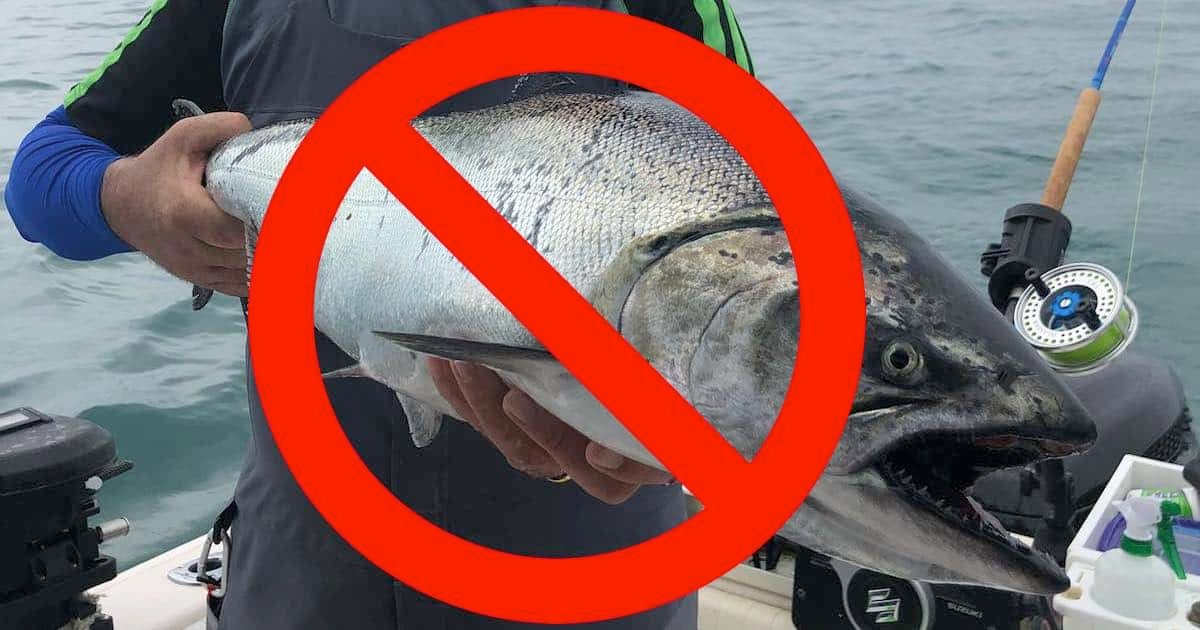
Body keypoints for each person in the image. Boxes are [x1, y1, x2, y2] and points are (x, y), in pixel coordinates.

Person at [4, 1, 755, 628]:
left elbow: (754, 246)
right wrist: (127, 198)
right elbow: (39, 177)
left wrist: (691, 445)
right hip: (304, 569)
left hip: (603, 577)